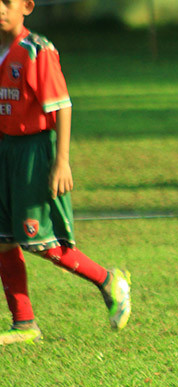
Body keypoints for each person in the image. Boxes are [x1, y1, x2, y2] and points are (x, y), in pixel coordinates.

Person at [0, 0, 131, 345]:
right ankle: (24, 324)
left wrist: (61, 162)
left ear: (26, 6)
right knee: (2, 240)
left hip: (33, 151)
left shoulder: (37, 51)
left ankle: (108, 280)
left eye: (6, 1)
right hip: (4, 149)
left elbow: (62, 106)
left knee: (41, 241)